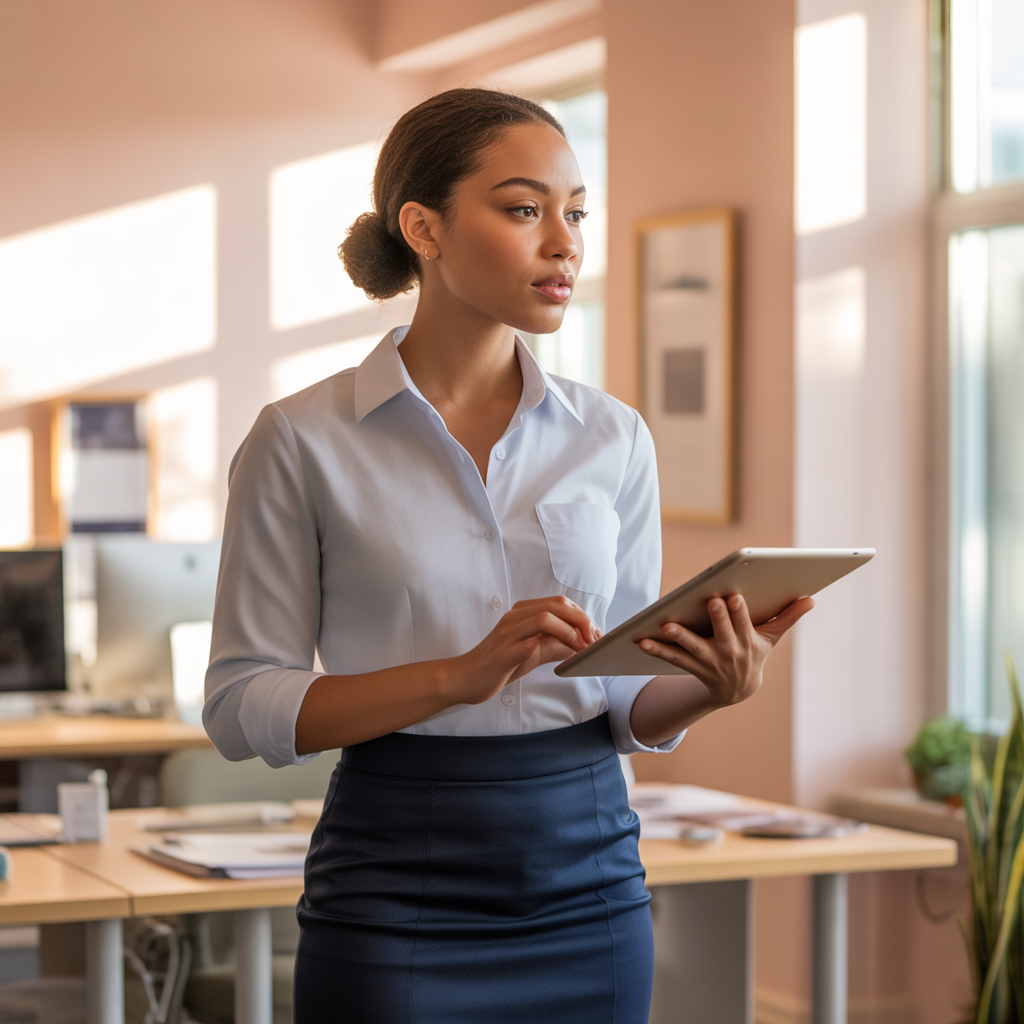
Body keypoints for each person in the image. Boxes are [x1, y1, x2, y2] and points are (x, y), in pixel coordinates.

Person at [203, 87, 813, 1024]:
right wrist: (455, 675)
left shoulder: (614, 438)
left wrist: (715, 681)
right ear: (424, 227)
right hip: (395, 879)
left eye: (575, 213)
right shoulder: (300, 440)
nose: (565, 242)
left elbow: (621, 696)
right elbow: (242, 704)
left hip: (592, 874)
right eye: (525, 209)